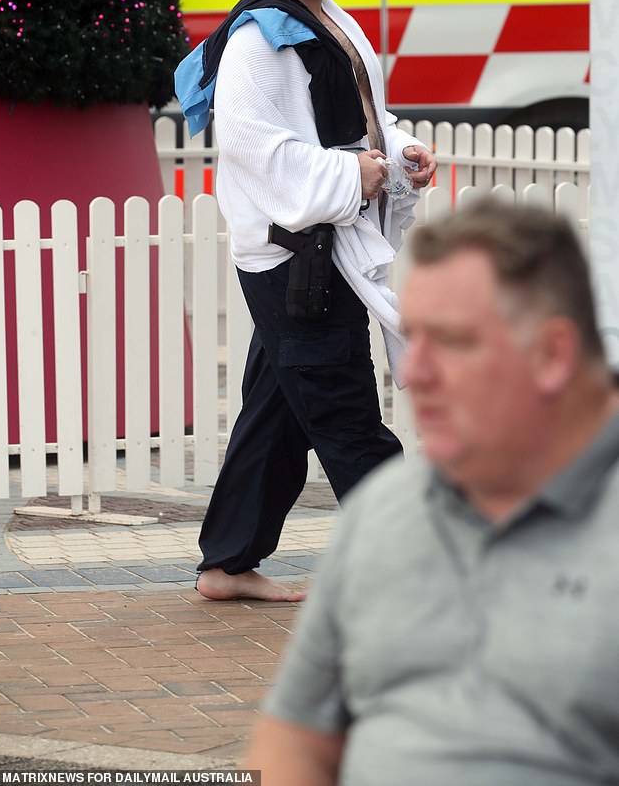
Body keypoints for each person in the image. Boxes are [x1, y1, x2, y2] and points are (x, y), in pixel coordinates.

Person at [245, 197, 619, 785]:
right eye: (414, 337)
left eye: (451, 341)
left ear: (553, 355)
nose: (414, 372)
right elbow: (294, 736)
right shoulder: (383, 512)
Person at [174, 0, 436, 603]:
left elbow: (367, 119)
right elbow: (256, 149)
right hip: (298, 258)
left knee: (279, 413)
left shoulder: (331, 18)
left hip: (319, 243)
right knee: (347, 415)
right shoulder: (257, 41)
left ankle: (227, 563)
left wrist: (400, 151)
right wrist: (356, 174)